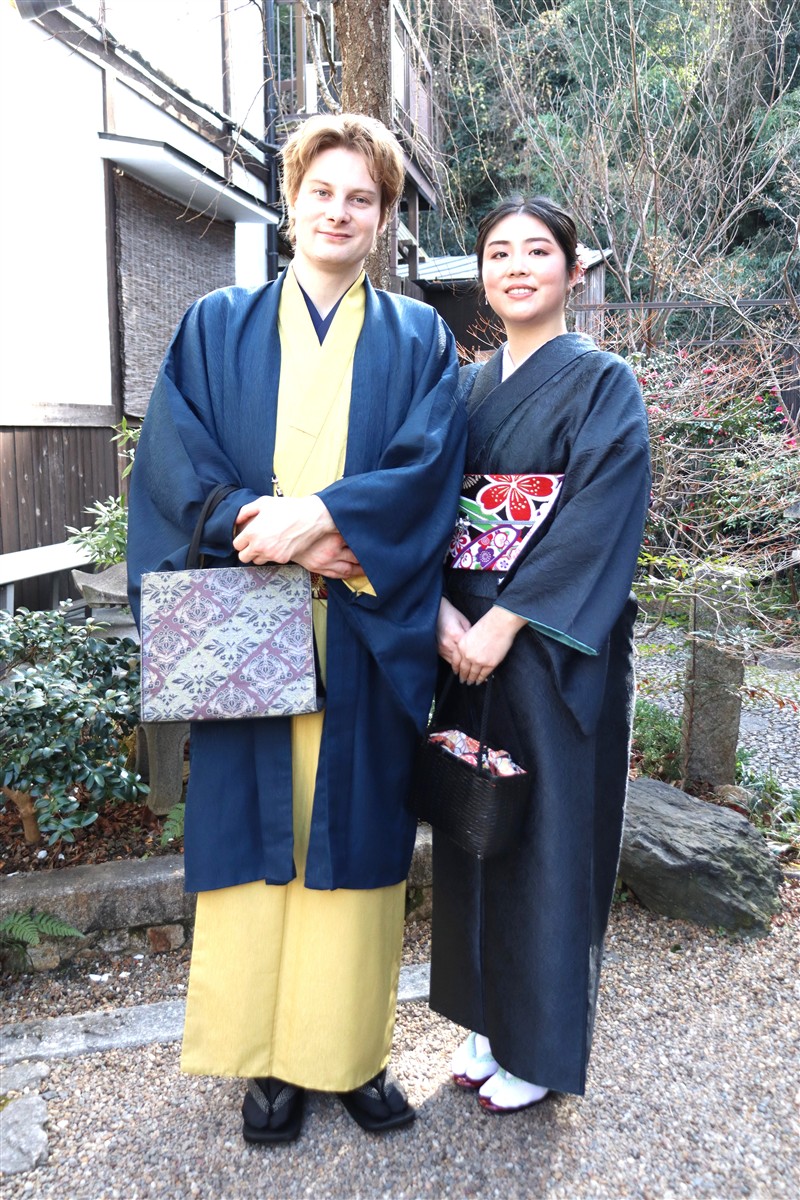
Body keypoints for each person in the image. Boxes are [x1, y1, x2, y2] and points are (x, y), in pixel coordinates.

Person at [127, 113, 466, 1144]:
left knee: (355, 841)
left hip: (361, 628)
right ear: (291, 200)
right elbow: (174, 460)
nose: (338, 211)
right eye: (322, 191)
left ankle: (350, 1052)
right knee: (251, 840)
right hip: (247, 621)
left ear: (384, 218)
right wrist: (252, 522)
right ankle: (265, 1060)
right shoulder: (215, 324)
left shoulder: (417, 338)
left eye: (361, 197)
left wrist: (322, 524)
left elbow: (427, 470)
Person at [431, 196, 651, 1112]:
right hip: (459, 637)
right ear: (481, 273)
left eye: (536, 251)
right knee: (475, 821)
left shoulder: (605, 384)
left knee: (550, 835)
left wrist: (506, 621)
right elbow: (418, 502)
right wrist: (439, 611)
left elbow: (599, 518)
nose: (516, 266)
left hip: (553, 644)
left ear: (573, 270)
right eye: (498, 253)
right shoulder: (461, 388)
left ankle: (541, 1047)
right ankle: (487, 1024)